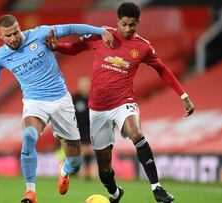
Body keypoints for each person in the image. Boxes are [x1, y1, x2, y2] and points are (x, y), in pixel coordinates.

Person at [46, 2, 195, 203]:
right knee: (104, 168)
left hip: (123, 102)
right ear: (118, 21)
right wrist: (58, 46)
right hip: (97, 108)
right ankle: (115, 193)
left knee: (136, 133)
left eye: (132, 25)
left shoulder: (143, 47)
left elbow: (162, 70)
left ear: (138, 23)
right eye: (124, 24)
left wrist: (183, 96)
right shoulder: (102, 35)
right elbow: (75, 48)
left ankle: (157, 188)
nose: (127, 29)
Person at [0, 14, 113, 203]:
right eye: (8, 35)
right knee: (28, 136)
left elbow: (71, 27)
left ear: (20, 28)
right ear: (0, 35)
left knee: (75, 163)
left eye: (16, 32)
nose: (14, 38)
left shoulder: (39, 34)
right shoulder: (0, 55)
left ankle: (64, 170)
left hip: (61, 101)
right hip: (34, 102)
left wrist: (100, 31)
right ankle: (30, 192)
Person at [72, 77, 96, 180]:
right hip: (76, 130)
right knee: (80, 151)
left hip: (90, 130)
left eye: (86, 85)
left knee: (87, 150)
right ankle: (81, 171)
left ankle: (88, 172)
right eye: (83, 85)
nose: (85, 88)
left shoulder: (94, 99)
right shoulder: (74, 98)